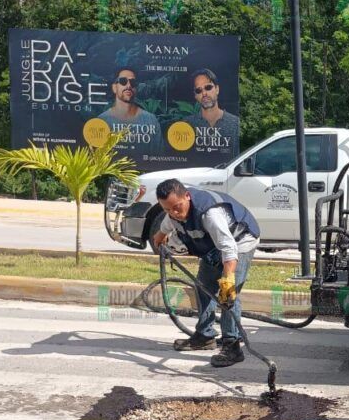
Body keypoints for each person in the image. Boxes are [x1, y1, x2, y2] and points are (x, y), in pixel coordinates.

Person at [151, 179, 260, 368]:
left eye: (176, 207)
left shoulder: (210, 214)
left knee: (227, 296)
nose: (174, 213)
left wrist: (227, 279)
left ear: (187, 196)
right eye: (167, 209)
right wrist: (159, 237)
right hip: (215, 247)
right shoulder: (174, 213)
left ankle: (232, 346)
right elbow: (166, 226)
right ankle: (204, 336)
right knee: (203, 286)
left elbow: (229, 248)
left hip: (240, 242)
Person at [98, 67, 161, 152]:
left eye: (133, 82)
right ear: (114, 87)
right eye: (123, 81)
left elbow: (158, 156)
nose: (128, 86)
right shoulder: (102, 121)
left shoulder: (151, 120)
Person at [182, 69, 241, 157]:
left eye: (208, 87)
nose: (204, 93)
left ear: (217, 89)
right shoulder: (187, 124)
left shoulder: (235, 124)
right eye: (198, 90)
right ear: (195, 95)